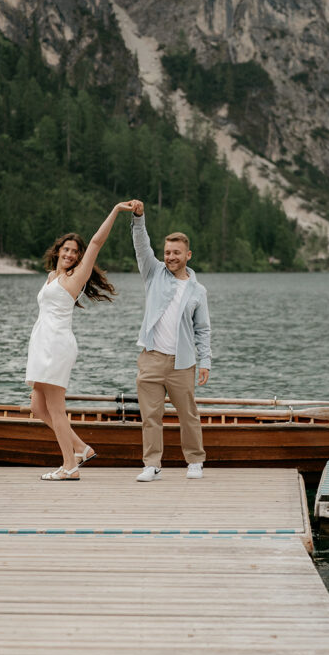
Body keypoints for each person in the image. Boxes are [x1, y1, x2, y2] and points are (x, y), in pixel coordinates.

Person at [26, 201, 135, 480]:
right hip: (42, 344)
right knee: (38, 408)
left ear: (78, 257)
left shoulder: (77, 276)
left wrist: (116, 210)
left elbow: (97, 241)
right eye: (66, 249)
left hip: (57, 346)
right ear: (58, 251)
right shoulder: (52, 276)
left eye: (75, 252)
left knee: (55, 409)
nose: (70, 254)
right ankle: (81, 448)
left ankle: (69, 466)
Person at [130, 199, 211, 481]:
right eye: (167, 252)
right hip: (151, 358)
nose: (170, 256)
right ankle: (152, 464)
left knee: (188, 414)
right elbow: (142, 246)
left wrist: (206, 362)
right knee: (150, 417)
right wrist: (139, 218)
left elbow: (203, 330)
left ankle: (195, 461)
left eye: (176, 252)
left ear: (188, 255)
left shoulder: (198, 291)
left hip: (182, 362)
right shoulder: (153, 274)